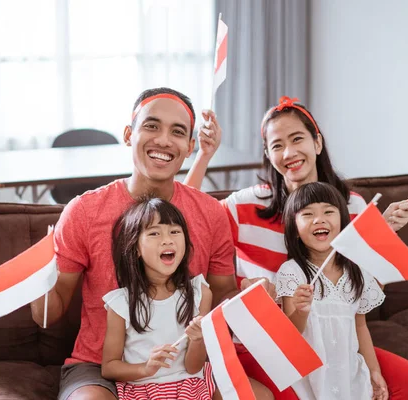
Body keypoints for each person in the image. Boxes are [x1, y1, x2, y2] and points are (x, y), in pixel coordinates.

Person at [30, 88, 274, 400]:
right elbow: (47, 315)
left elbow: (222, 292)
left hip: (185, 363)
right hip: (101, 366)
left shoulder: (211, 213)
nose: (163, 140)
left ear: (189, 147)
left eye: (178, 131)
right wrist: (36, 281)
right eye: (151, 126)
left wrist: (249, 296)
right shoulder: (84, 211)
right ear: (129, 134)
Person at [185, 96, 408, 399]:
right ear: (267, 154)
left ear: (317, 142)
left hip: (333, 340)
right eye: (277, 145)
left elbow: (361, 292)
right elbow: (186, 217)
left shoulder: (352, 206)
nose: (289, 153)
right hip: (268, 342)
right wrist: (204, 156)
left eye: (297, 138)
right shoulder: (245, 205)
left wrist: (384, 233)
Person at [278, 182, 388, 399]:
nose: (319, 219)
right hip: (309, 379)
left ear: (343, 222)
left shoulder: (357, 272)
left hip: (349, 374)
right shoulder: (292, 272)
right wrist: (301, 310)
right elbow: (291, 334)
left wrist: (374, 370)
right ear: (295, 230)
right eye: (307, 214)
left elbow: (360, 326)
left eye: (328, 211)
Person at [102, 197, 214, 399]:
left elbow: (193, 367)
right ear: (135, 248)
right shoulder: (120, 304)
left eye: (175, 231)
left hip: (191, 386)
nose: (167, 239)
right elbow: (109, 367)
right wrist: (146, 368)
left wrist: (197, 340)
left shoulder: (200, 292)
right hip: (144, 390)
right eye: (154, 233)